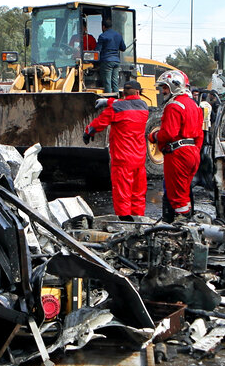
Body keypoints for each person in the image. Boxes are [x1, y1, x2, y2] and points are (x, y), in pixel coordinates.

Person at [85, 80, 150, 220]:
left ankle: (124, 221)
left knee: (123, 193)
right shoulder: (144, 107)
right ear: (138, 92)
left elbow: (100, 122)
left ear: (123, 93)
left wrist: (89, 132)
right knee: (138, 193)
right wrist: (109, 101)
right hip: (139, 159)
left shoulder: (116, 108)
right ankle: (140, 221)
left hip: (122, 159)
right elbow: (127, 104)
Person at [150, 69, 203, 221]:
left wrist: (154, 136)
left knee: (176, 194)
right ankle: (187, 219)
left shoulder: (174, 106)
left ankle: (181, 227)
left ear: (175, 86)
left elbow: (169, 133)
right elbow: (200, 134)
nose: (163, 91)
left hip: (178, 153)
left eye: (165, 87)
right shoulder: (194, 105)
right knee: (184, 191)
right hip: (192, 151)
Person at [96, 18, 126, 94]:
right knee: (115, 81)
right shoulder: (118, 35)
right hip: (116, 61)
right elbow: (123, 48)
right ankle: (116, 97)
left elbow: (97, 50)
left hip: (107, 61)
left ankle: (109, 98)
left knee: (107, 81)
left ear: (103, 27)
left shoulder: (102, 36)